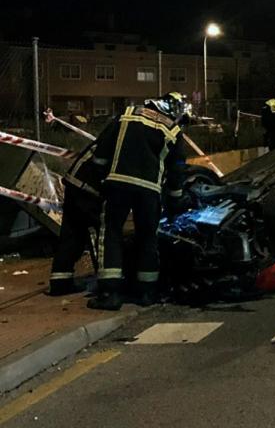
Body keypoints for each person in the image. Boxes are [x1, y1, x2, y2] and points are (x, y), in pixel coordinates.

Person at [88, 92, 191, 310]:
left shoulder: (127, 115)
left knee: (112, 233)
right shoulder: (173, 129)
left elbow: (101, 151)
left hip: (118, 184)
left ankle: (110, 293)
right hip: (150, 190)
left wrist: (98, 175)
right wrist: (176, 199)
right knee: (148, 237)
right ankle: (147, 292)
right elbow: (177, 170)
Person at [47, 135, 114, 295]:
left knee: (72, 233)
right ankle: (106, 283)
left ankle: (60, 282)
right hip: (89, 189)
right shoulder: (131, 134)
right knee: (102, 234)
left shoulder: (119, 127)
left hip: (75, 183)